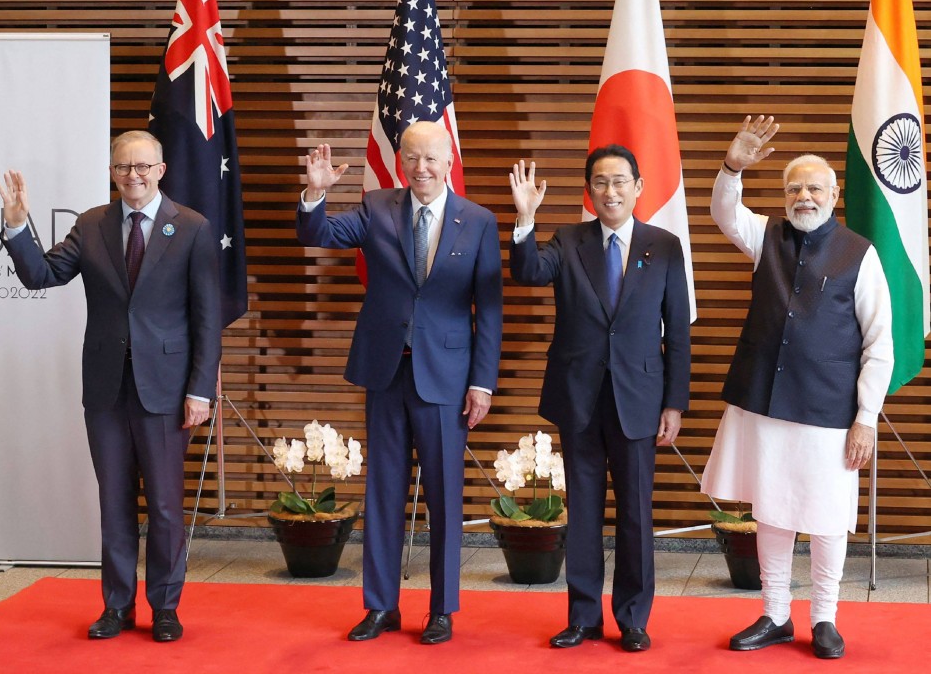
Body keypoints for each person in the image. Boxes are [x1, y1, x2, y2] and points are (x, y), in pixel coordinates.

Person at [0, 130, 222, 643]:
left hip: (166, 391)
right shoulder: (91, 224)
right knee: (114, 502)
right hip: (105, 390)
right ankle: (116, 606)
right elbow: (42, 275)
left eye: (143, 167)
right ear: (113, 172)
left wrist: (200, 390)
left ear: (161, 170)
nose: (133, 176)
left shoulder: (192, 228)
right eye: (124, 167)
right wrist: (16, 225)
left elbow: (207, 319)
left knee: (165, 506)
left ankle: (165, 607)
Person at [296, 121, 503, 645]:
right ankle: (381, 605)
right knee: (383, 492)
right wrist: (315, 194)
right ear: (400, 161)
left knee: (444, 497)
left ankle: (442, 609)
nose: (421, 168)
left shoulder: (477, 221)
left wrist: (482, 382)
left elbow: (491, 311)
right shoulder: (377, 208)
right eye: (412, 157)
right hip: (386, 372)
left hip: (448, 379)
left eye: (431, 158)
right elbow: (318, 234)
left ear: (449, 160)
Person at [700, 116, 893, 660]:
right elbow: (723, 212)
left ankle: (826, 618)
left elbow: (880, 342)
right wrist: (733, 163)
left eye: (813, 187)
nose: (803, 196)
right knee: (774, 510)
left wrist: (866, 417)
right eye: (793, 188)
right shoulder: (766, 235)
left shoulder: (860, 253)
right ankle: (776, 613)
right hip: (766, 403)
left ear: (834, 194)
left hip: (830, 410)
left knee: (828, 516)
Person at [509, 147, 691, 653]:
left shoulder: (666, 246)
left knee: (635, 513)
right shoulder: (568, 240)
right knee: (583, 511)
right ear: (588, 191)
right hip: (580, 398)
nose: (609, 192)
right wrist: (525, 218)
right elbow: (528, 273)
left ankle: (633, 618)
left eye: (619, 182)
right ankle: (584, 617)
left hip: (640, 399)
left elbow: (677, 332)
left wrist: (673, 403)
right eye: (600, 183)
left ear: (638, 186)